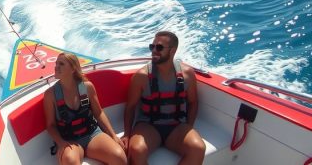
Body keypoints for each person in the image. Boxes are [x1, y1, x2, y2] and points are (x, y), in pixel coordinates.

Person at [122, 31, 206, 164]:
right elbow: (130, 107)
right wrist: (127, 134)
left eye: (159, 47)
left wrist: (188, 127)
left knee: (198, 148)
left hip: (177, 126)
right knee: (137, 150)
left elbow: (193, 102)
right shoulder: (141, 76)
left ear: (173, 50)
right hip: (149, 126)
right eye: (152, 46)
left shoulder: (187, 74)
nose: (154, 51)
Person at [43, 53, 127, 165]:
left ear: (73, 69)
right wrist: (61, 143)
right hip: (69, 140)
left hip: (92, 134)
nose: (56, 67)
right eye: (56, 63)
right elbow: (51, 126)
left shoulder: (86, 87)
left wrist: (113, 136)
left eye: (61, 64)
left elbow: (99, 113)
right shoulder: (50, 95)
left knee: (119, 157)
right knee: (70, 161)